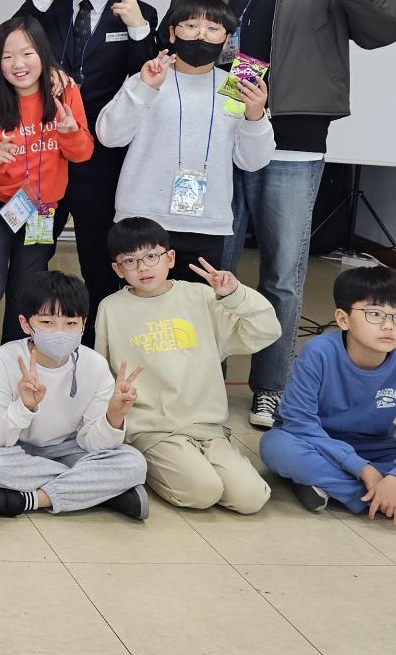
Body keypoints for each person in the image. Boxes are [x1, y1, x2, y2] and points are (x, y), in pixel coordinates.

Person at [173, 0, 396, 428]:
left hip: (293, 134)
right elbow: (184, 37)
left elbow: (392, 24)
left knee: (281, 272)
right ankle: (202, 379)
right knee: (207, 266)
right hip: (218, 132)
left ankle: (269, 387)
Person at [0, 16, 93, 412]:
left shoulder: (65, 96)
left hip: (42, 212)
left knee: (25, 292)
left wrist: (68, 132)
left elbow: (83, 153)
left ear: (43, 55)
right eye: (7, 56)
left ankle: (12, 370)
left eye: (27, 53)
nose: (18, 63)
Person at [16, 0, 159, 320]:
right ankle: (22, 341)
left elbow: (147, 81)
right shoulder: (47, 0)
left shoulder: (139, 15)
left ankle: (95, 345)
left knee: (98, 261)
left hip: (99, 160)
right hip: (43, 156)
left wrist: (138, 29)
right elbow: (8, 46)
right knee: (30, 257)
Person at [259, 266, 396, 531]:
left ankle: (331, 486)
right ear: (343, 319)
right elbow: (299, 423)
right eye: (375, 314)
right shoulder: (318, 353)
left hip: (376, 448)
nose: (388, 325)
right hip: (317, 444)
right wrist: (363, 470)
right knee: (276, 447)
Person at [94, 218, 278, 514]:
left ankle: (197, 462)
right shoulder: (111, 308)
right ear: (118, 269)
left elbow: (266, 332)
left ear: (170, 258)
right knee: (203, 492)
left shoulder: (201, 296)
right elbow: (100, 371)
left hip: (208, 427)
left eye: (151, 256)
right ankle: (145, 462)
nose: (143, 268)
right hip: (153, 430)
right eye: (130, 261)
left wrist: (235, 295)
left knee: (251, 498)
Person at [94, 0, 273, 280]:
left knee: (195, 305)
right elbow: (109, 136)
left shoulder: (238, 89)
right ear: (172, 33)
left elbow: (252, 162)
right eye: (191, 25)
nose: (201, 35)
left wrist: (255, 115)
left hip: (207, 224)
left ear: (227, 39)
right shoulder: (149, 77)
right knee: (140, 304)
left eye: (213, 29)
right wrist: (144, 89)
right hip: (142, 219)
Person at [0, 270, 149, 521]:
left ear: (84, 324)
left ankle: (24, 499)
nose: (60, 333)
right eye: (47, 323)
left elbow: (92, 444)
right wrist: (23, 407)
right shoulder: (4, 359)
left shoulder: (95, 365)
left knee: (133, 463)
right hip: (6, 445)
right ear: (25, 324)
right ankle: (104, 493)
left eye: (71, 323)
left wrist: (113, 417)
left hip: (67, 445)